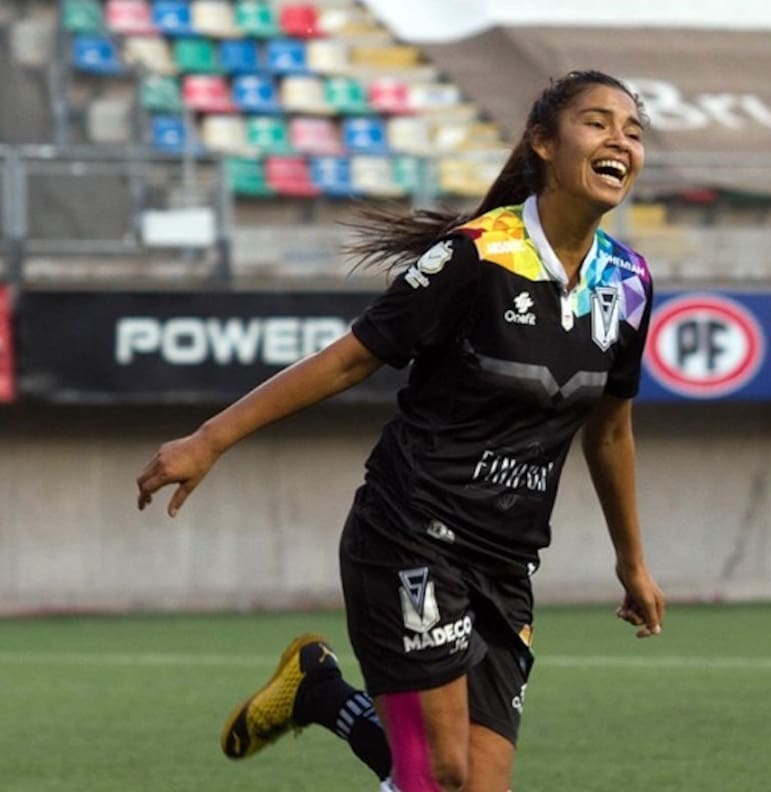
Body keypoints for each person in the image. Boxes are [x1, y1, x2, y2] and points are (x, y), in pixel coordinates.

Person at [136, 69, 665, 791]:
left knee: (471, 785)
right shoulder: (474, 255)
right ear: (543, 142)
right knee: (437, 776)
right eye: (598, 122)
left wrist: (631, 562)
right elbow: (349, 360)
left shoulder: (630, 284)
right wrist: (211, 439)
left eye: (633, 131)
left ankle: (319, 691)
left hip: (506, 564)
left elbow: (610, 431)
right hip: (411, 534)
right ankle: (327, 694)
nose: (620, 141)